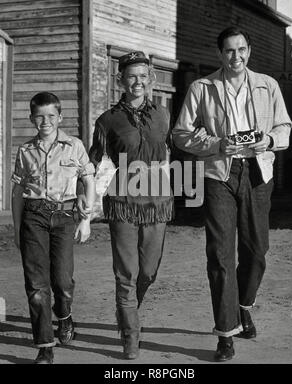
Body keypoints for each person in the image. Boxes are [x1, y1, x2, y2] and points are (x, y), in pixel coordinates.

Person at [172, 26, 292, 361]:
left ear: (249, 51)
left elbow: (284, 127)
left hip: (257, 172)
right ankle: (226, 334)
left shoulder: (268, 85)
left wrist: (268, 140)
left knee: (256, 251)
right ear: (219, 53)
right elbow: (181, 133)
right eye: (229, 51)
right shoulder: (202, 87)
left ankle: (243, 306)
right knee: (221, 255)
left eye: (241, 50)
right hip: (219, 174)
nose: (235, 57)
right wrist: (215, 144)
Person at [78, 51, 173, 360]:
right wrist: (83, 194)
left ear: (151, 79)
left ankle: (126, 312)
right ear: (120, 79)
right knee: (126, 274)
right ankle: (131, 338)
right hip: (123, 203)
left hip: (157, 202)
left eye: (143, 76)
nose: (138, 81)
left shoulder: (163, 114)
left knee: (148, 273)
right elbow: (93, 161)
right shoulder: (107, 120)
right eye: (131, 76)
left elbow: (167, 152)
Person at [11, 92, 95, 364]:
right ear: (31, 118)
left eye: (51, 116)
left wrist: (85, 220)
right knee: (36, 285)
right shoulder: (25, 151)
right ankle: (45, 345)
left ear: (61, 117)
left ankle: (65, 315)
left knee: (62, 280)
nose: (45, 121)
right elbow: (17, 192)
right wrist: (16, 229)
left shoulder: (74, 146)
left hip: (64, 217)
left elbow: (89, 179)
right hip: (33, 217)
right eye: (39, 116)